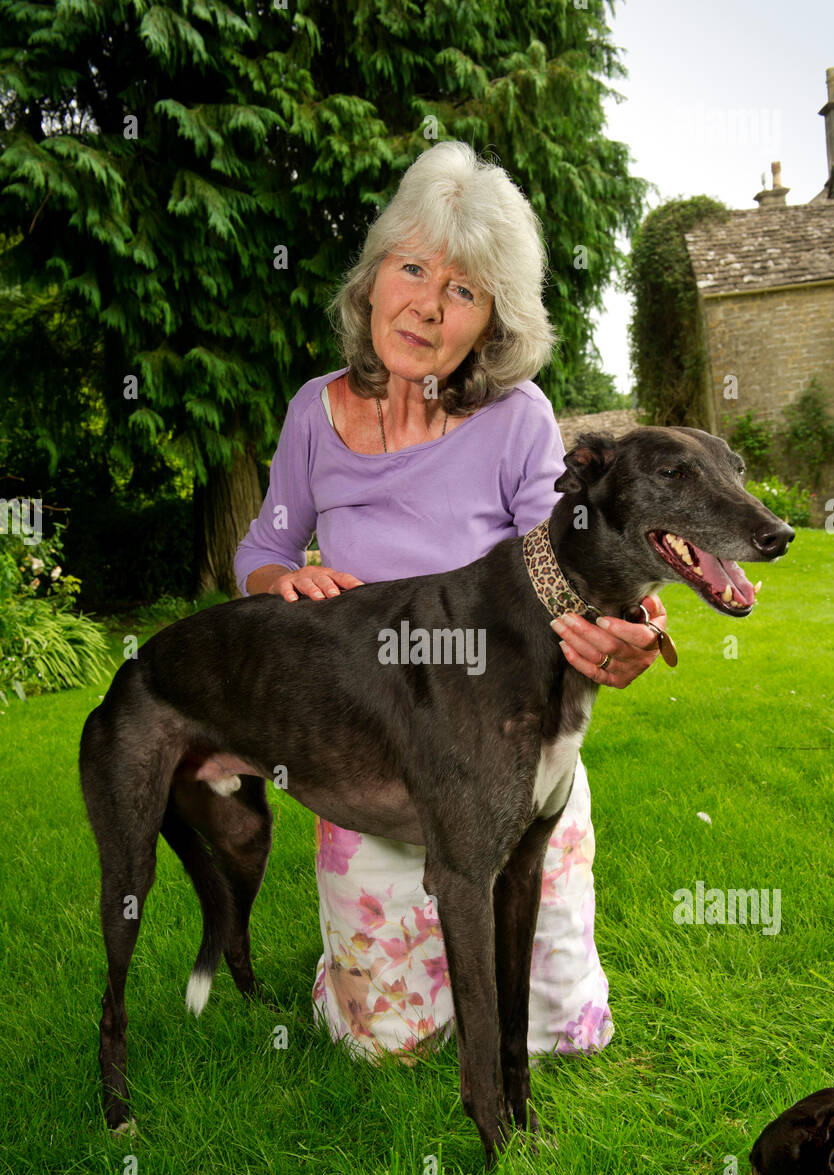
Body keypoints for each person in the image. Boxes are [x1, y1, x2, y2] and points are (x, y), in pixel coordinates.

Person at [234, 141, 666, 1065]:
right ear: (376, 274)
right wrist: (283, 580)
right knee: (385, 1044)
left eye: (462, 291)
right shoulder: (316, 412)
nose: (427, 305)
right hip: (374, 749)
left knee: (559, 1036)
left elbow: (575, 561)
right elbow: (264, 547)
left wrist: (631, 632)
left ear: (490, 325)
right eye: (414, 267)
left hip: (504, 752)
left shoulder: (518, 420)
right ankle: (359, 965)